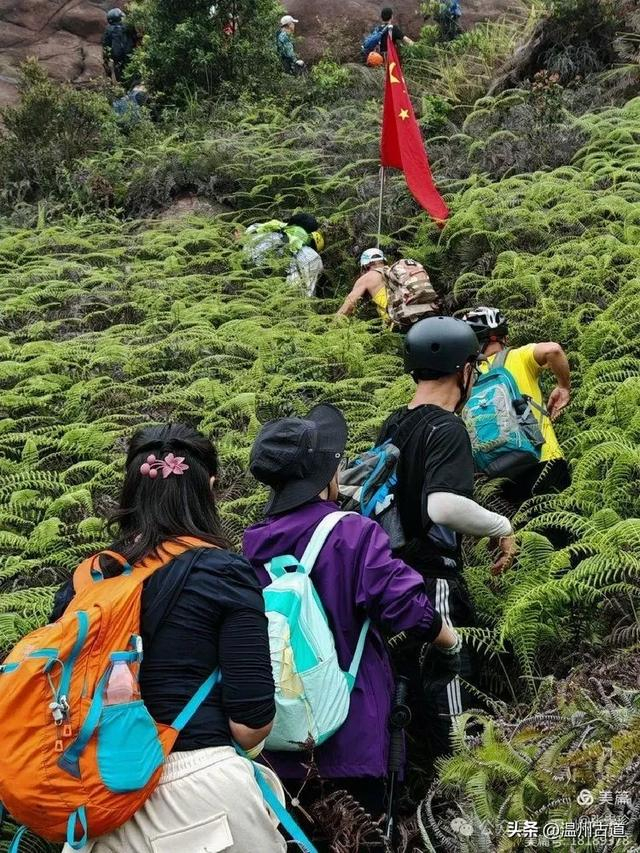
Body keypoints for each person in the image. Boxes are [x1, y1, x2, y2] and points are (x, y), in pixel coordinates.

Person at [52, 424, 287, 853]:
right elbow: (250, 725)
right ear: (209, 489)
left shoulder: (84, 582)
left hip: (96, 804)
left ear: (130, 492)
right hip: (199, 792)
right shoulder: (223, 573)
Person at [243, 404, 462, 823]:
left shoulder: (253, 543)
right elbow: (404, 605)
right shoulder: (351, 531)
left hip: (278, 741)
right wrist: (448, 640)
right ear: (326, 475)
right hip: (352, 729)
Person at [377, 317, 516, 762]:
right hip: (432, 578)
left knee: (406, 687)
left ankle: (418, 783)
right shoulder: (447, 427)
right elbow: (443, 506)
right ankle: (463, 778)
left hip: (389, 578)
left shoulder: (394, 424)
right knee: (450, 682)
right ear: (464, 370)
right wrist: (502, 526)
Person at [462, 306, 571, 500]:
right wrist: (563, 387)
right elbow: (553, 349)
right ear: (504, 337)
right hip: (544, 459)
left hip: (496, 473)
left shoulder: (466, 375)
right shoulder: (519, 357)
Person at [244, 213, 325, 296]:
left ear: (290, 223)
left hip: (246, 283)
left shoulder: (263, 232)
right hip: (282, 296)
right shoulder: (313, 257)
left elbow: (243, 248)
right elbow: (308, 292)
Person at [336, 247, 390, 323]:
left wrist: (330, 327)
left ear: (365, 267)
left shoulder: (367, 278)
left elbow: (347, 307)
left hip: (399, 322)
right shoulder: (396, 272)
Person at [102, 8, 135, 83]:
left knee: (119, 79)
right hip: (130, 57)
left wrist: (107, 59)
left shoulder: (108, 30)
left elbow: (106, 46)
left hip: (116, 60)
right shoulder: (128, 27)